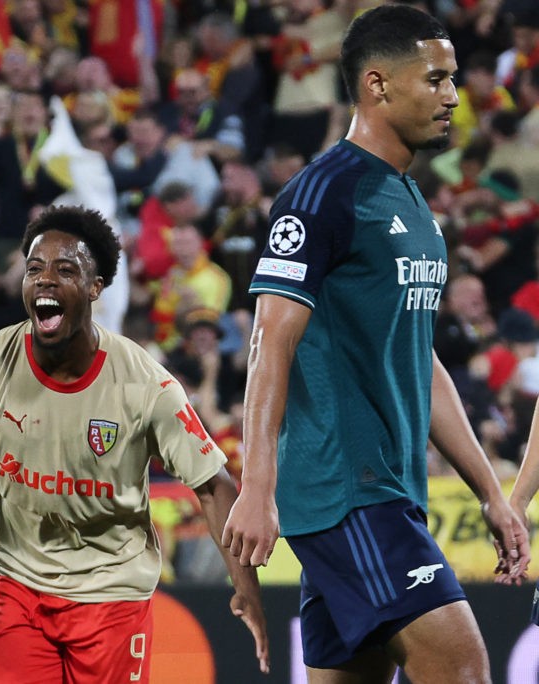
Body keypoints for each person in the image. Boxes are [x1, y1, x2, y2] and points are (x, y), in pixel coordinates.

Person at [0, 205, 269, 682]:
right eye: (34, 268)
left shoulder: (145, 385)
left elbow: (211, 485)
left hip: (111, 596)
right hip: (20, 591)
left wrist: (245, 587)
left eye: (65, 269)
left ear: (96, 287)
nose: (45, 281)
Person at [222, 6, 530, 683]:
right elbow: (270, 341)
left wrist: (491, 491)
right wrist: (257, 486)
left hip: (391, 489)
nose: (453, 96)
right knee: (465, 668)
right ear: (377, 85)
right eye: (437, 79)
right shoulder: (321, 194)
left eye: (453, 79)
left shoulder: (414, 204)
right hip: (347, 492)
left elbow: (419, 358)